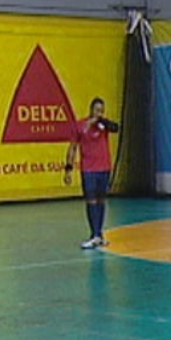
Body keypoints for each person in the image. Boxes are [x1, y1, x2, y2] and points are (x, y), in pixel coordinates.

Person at [63, 97, 120, 249]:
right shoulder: (80, 126)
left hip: (104, 168)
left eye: (102, 111)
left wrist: (103, 121)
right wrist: (68, 168)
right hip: (88, 169)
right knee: (91, 200)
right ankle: (93, 234)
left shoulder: (103, 126)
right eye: (97, 110)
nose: (99, 113)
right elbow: (72, 147)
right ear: (91, 110)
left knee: (101, 200)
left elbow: (115, 128)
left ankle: (99, 235)